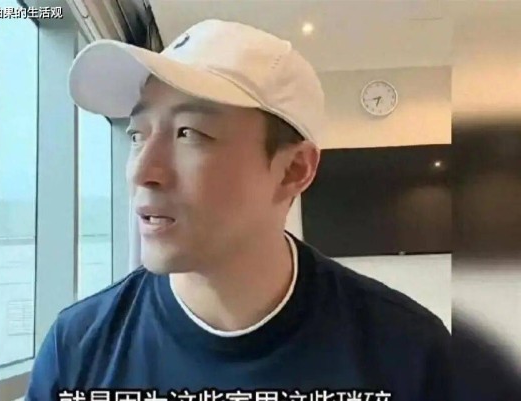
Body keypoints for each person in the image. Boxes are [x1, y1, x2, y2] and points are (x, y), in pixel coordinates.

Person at [26, 19, 450, 401]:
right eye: (138, 134)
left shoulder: (409, 353)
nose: (142, 171)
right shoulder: (79, 348)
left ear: (293, 170)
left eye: (189, 132)